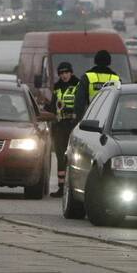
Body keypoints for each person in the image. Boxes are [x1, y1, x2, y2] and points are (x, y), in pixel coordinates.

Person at [49, 61, 81, 197]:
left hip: (73, 125)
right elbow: (53, 105)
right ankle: (61, 187)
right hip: (59, 125)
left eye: (66, 72)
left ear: (71, 72)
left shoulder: (78, 85)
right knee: (60, 156)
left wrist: (73, 112)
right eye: (61, 73)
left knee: (73, 157)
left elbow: (81, 104)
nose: (64, 75)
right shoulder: (57, 87)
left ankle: (72, 187)